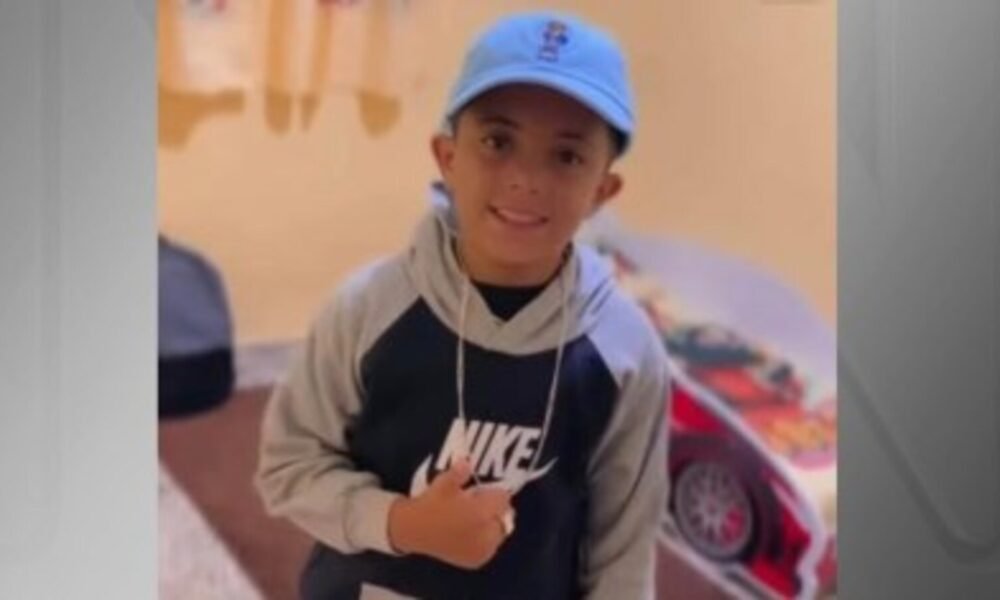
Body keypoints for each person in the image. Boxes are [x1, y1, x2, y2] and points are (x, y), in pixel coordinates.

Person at [255, 10, 670, 600]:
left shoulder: (626, 351)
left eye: (567, 156)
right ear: (447, 157)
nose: (526, 178)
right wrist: (402, 523)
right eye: (498, 142)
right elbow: (288, 467)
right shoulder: (365, 310)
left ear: (603, 190)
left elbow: (623, 548)